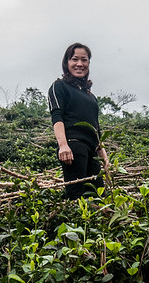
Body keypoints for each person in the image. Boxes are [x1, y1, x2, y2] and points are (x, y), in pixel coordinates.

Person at [47, 42, 110, 199]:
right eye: (75, 59)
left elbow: (96, 128)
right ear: (66, 62)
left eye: (84, 60)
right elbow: (57, 116)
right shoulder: (59, 86)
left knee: (98, 195)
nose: (79, 64)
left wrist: (104, 157)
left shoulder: (90, 96)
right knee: (76, 196)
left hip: (92, 151)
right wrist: (63, 146)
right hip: (73, 147)